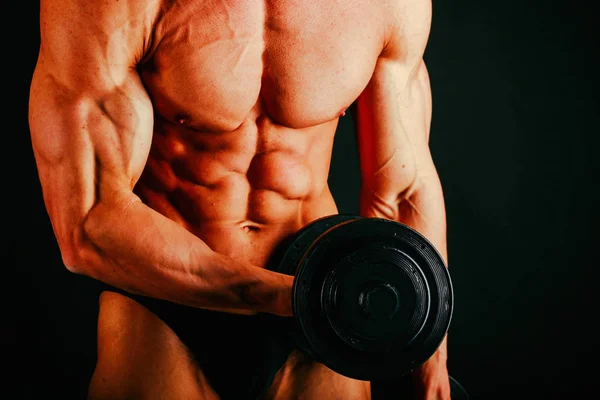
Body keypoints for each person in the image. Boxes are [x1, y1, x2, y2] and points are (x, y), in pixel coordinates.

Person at [28, 0, 450, 399]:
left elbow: (402, 191)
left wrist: (430, 369)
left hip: (320, 312)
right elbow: (89, 224)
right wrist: (290, 298)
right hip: (171, 305)